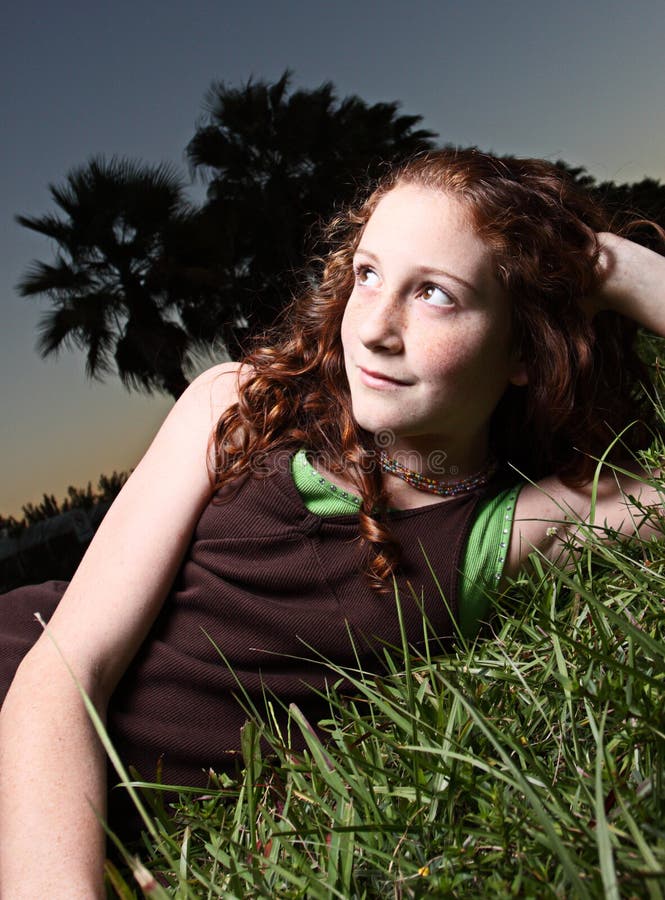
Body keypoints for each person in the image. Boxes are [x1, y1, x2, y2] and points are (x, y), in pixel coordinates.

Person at [1, 147, 665, 897]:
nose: (375, 327)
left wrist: (609, 268)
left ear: (522, 346)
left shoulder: (505, 531)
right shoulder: (240, 407)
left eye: (435, 294)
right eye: (369, 274)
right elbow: (63, 668)